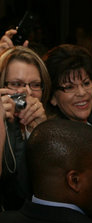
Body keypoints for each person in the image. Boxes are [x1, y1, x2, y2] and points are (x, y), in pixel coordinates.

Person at [0, 46, 50, 210]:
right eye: (16, 84)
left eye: (35, 84)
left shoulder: (48, 125)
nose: (28, 92)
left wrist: (38, 131)